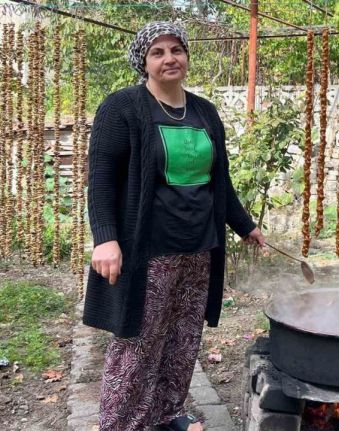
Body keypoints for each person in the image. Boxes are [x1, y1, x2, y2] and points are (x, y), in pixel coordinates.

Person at [84, 22, 264, 431]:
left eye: (176, 50)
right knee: (138, 341)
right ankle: (122, 423)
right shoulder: (123, 107)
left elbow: (220, 181)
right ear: (144, 62)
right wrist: (105, 239)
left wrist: (244, 225)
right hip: (147, 248)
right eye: (158, 52)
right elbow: (101, 178)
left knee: (183, 338)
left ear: (186, 56)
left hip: (199, 245)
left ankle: (167, 414)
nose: (169, 59)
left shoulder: (205, 111)